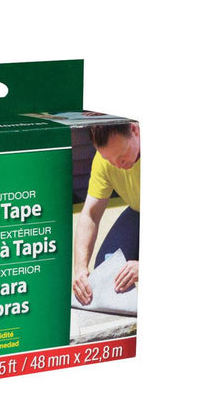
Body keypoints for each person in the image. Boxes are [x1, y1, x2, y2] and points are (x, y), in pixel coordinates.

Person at [73, 122, 140, 305]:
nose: (117, 165)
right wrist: (80, 269)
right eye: (110, 160)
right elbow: (91, 215)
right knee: (106, 271)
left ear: (135, 130)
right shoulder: (104, 160)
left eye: (121, 156)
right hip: (138, 212)